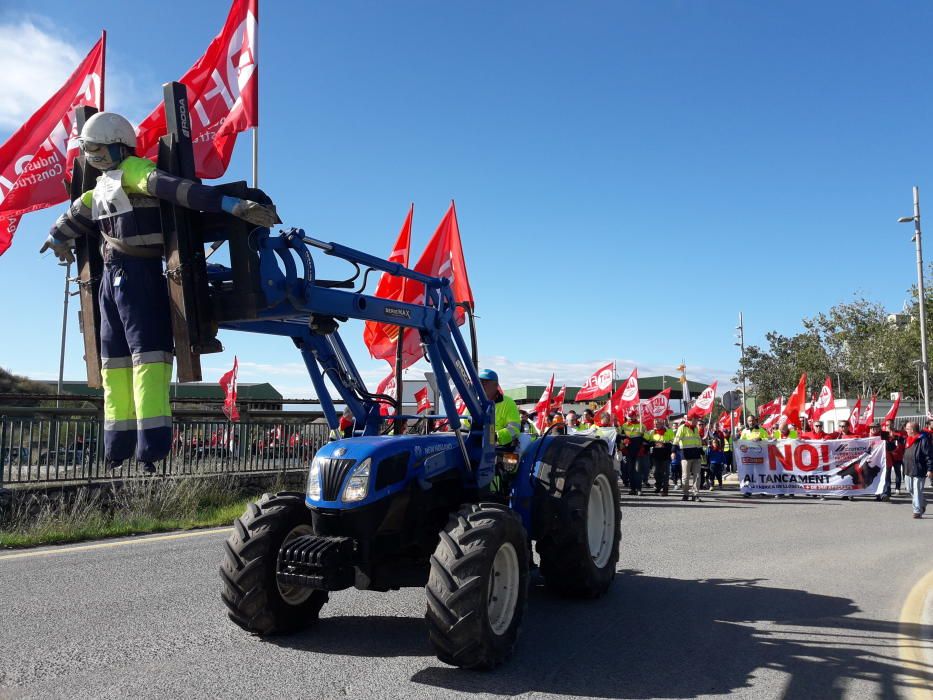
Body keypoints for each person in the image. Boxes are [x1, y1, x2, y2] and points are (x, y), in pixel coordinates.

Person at [41, 112, 277, 473]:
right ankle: (121, 445)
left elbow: (176, 189)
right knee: (117, 362)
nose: (94, 157)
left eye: (97, 149)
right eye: (89, 151)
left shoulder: (135, 172)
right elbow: (77, 212)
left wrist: (231, 205)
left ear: (118, 146)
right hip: (115, 280)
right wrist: (57, 236)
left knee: (142, 359)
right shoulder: (104, 185)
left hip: (136, 276)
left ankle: (144, 446)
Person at [476, 369, 521, 447]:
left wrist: (495, 436)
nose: (482, 385)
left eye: (486, 382)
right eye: (480, 382)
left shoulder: (508, 403)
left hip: (499, 446)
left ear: (496, 385)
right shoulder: (475, 402)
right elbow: (465, 423)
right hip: (475, 444)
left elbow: (514, 429)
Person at [901, 421, 933, 518]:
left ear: (912, 430)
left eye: (907, 428)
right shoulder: (907, 439)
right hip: (908, 469)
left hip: (919, 469)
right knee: (910, 489)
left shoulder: (923, 440)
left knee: (917, 490)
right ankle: (922, 502)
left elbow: (929, 456)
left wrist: (930, 469)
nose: (905, 430)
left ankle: (917, 511)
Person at [674, 415, 703, 501]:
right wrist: (673, 451)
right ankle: (685, 493)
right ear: (691, 420)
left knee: (697, 476)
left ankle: (695, 494)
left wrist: (701, 450)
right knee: (685, 477)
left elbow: (698, 440)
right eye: (696, 419)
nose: (697, 421)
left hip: (696, 455)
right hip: (686, 455)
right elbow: (677, 439)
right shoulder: (682, 428)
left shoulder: (695, 428)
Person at [621, 409, 649, 495]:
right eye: (629, 416)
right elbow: (621, 437)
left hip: (638, 451)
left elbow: (648, 438)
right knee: (630, 470)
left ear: (635, 416)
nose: (630, 418)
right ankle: (632, 489)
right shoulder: (624, 426)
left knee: (637, 470)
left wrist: (643, 434)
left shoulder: (641, 425)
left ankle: (639, 489)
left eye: (632, 416)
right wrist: (624, 440)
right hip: (628, 451)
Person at [647, 418, 675, 495]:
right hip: (656, 455)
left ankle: (665, 489)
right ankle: (658, 485)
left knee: (665, 473)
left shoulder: (669, 431)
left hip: (666, 455)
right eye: (655, 423)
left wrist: (664, 444)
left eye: (657, 423)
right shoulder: (652, 432)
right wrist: (653, 443)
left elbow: (673, 442)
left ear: (662, 423)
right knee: (656, 472)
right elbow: (647, 441)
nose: (656, 425)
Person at [883, 419, 905, 496]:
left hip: (897, 456)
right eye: (887, 425)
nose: (888, 426)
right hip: (888, 456)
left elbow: (902, 443)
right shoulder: (884, 433)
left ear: (893, 424)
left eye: (890, 424)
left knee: (898, 472)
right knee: (887, 473)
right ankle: (888, 489)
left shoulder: (898, 433)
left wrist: (895, 437)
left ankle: (897, 488)